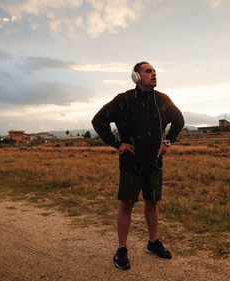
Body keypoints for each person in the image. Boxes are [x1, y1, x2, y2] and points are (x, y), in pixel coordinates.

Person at [92, 61, 184, 270]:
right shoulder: (124, 100)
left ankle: (153, 242)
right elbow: (98, 120)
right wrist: (117, 144)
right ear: (136, 76)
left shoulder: (162, 100)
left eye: (154, 71)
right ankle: (122, 250)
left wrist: (167, 142)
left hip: (154, 162)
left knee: (152, 203)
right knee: (126, 204)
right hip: (131, 163)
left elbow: (179, 121)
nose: (153, 74)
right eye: (148, 71)